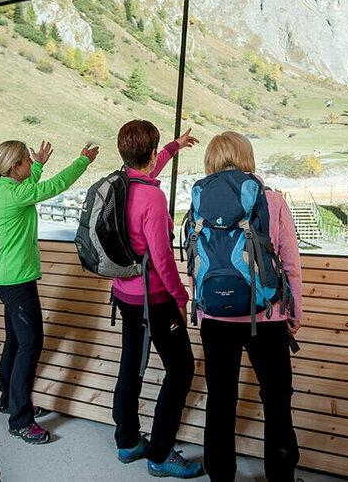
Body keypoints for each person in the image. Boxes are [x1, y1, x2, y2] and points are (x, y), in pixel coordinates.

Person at [0, 139, 98, 444]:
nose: (32, 164)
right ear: (15, 166)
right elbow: (53, 186)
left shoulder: (7, 189)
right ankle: (20, 420)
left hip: (9, 280)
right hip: (17, 283)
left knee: (16, 343)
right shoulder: (15, 194)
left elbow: (32, 184)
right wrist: (82, 161)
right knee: (30, 346)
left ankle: (8, 400)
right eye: (28, 161)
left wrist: (40, 163)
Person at [197, 132, 302, 482]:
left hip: (214, 316)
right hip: (266, 315)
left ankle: (221, 477)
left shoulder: (200, 200)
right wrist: (294, 312)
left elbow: (196, 260)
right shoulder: (271, 201)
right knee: (276, 399)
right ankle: (281, 478)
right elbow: (289, 264)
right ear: (248, 157)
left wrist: (200, 309)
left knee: (220, 400)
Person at [111, 120, 204, 478]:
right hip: (155, 298)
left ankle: (128, 441)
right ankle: (161, 453)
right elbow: (163, 259)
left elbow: (147, 170)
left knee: (131, 364)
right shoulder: (153, 196)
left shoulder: (122, 182)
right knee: (181, 369)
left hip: (124, 294)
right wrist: (181, 299)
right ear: (149, 153)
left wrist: (175, 146)